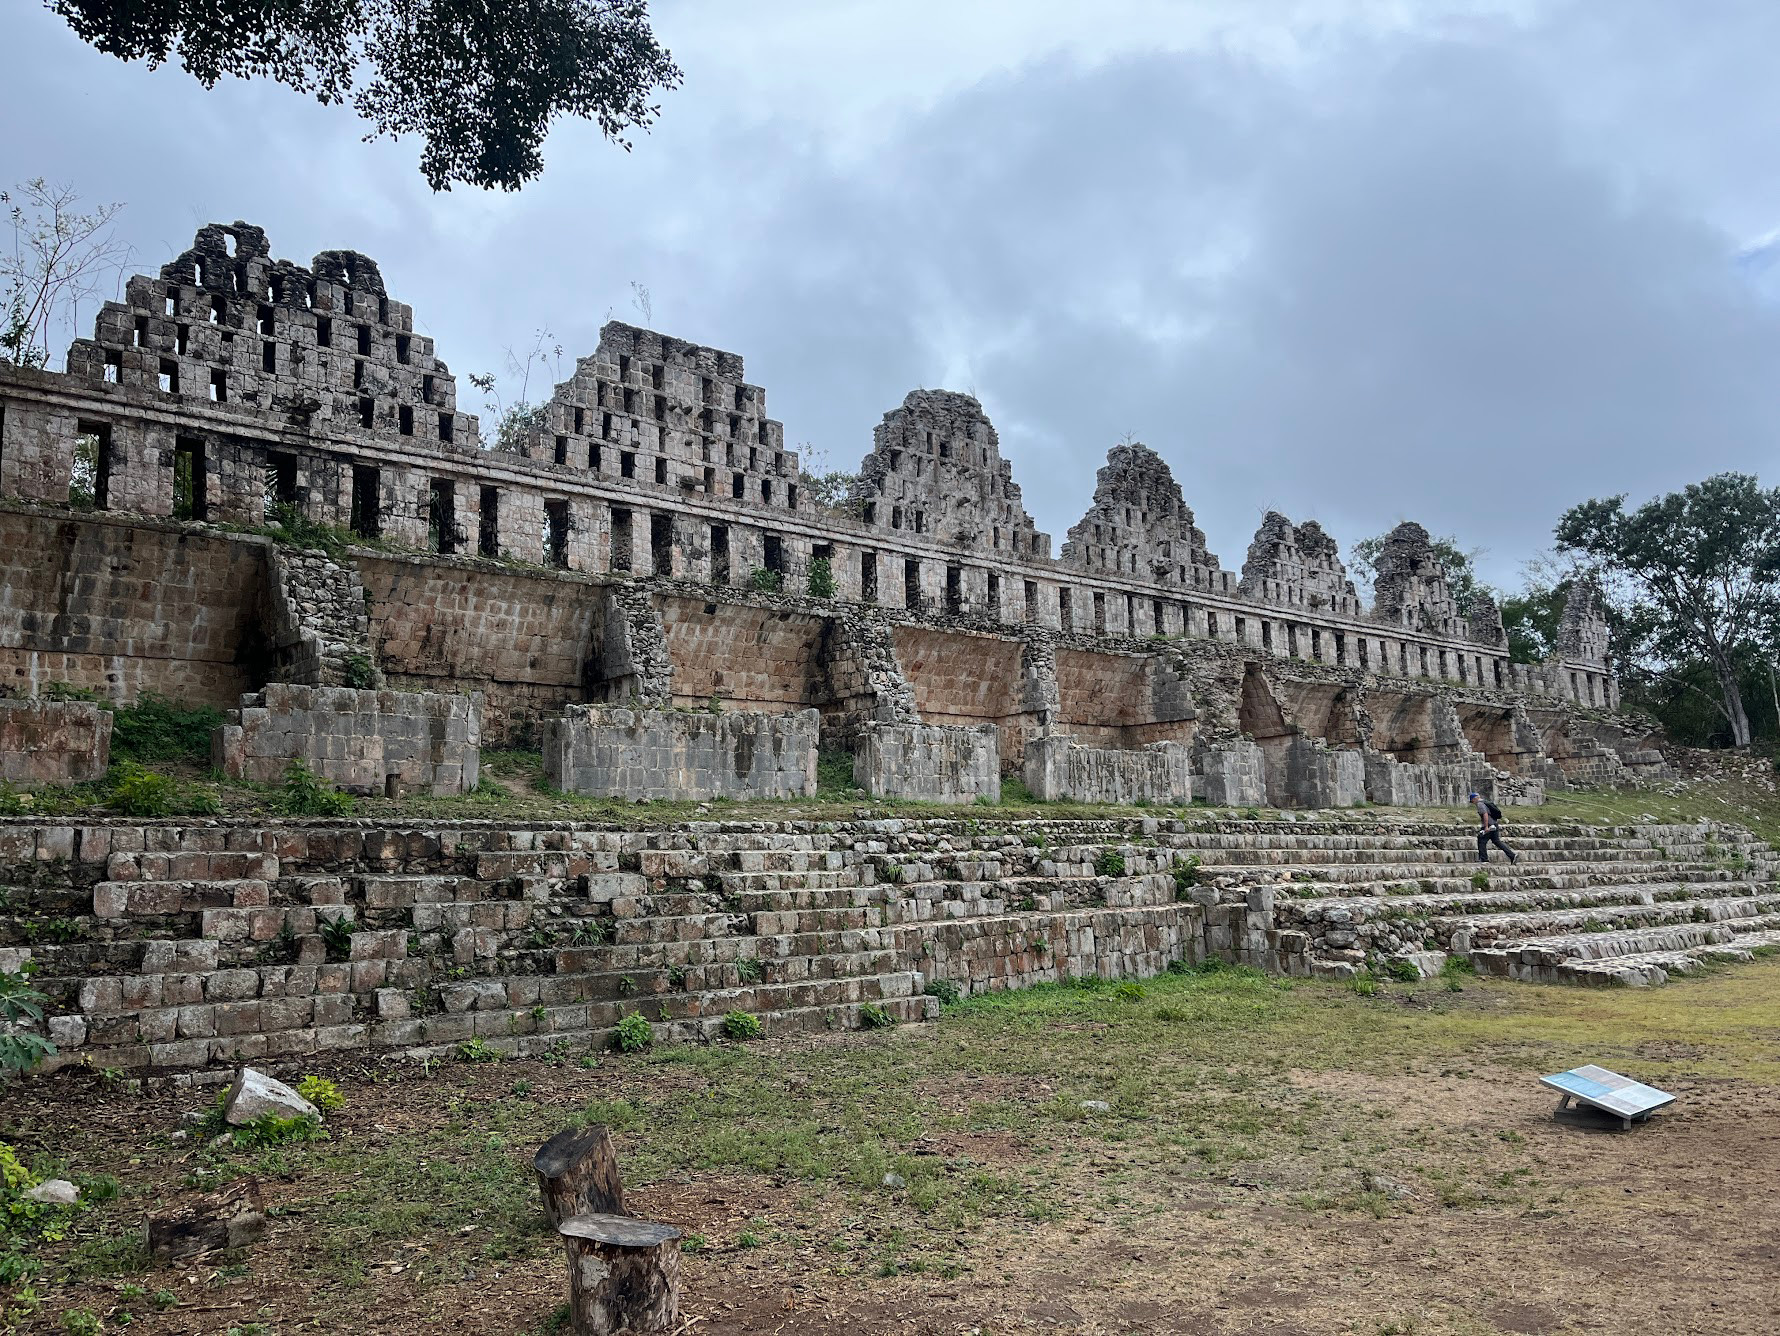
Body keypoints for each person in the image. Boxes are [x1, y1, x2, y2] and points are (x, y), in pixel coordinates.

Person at [1470, 790, 1516, 864]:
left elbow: (1485, 815)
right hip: (1494, 824)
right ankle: (1512, 855)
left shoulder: (1480, 804)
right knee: (1497, 841)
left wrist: (1486, 827)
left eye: (1472, 801)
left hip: (1489, 825)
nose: (1473, 803)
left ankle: (1484, 859)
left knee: (1481, 840)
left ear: (1474, 799)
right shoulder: (1485, 802)